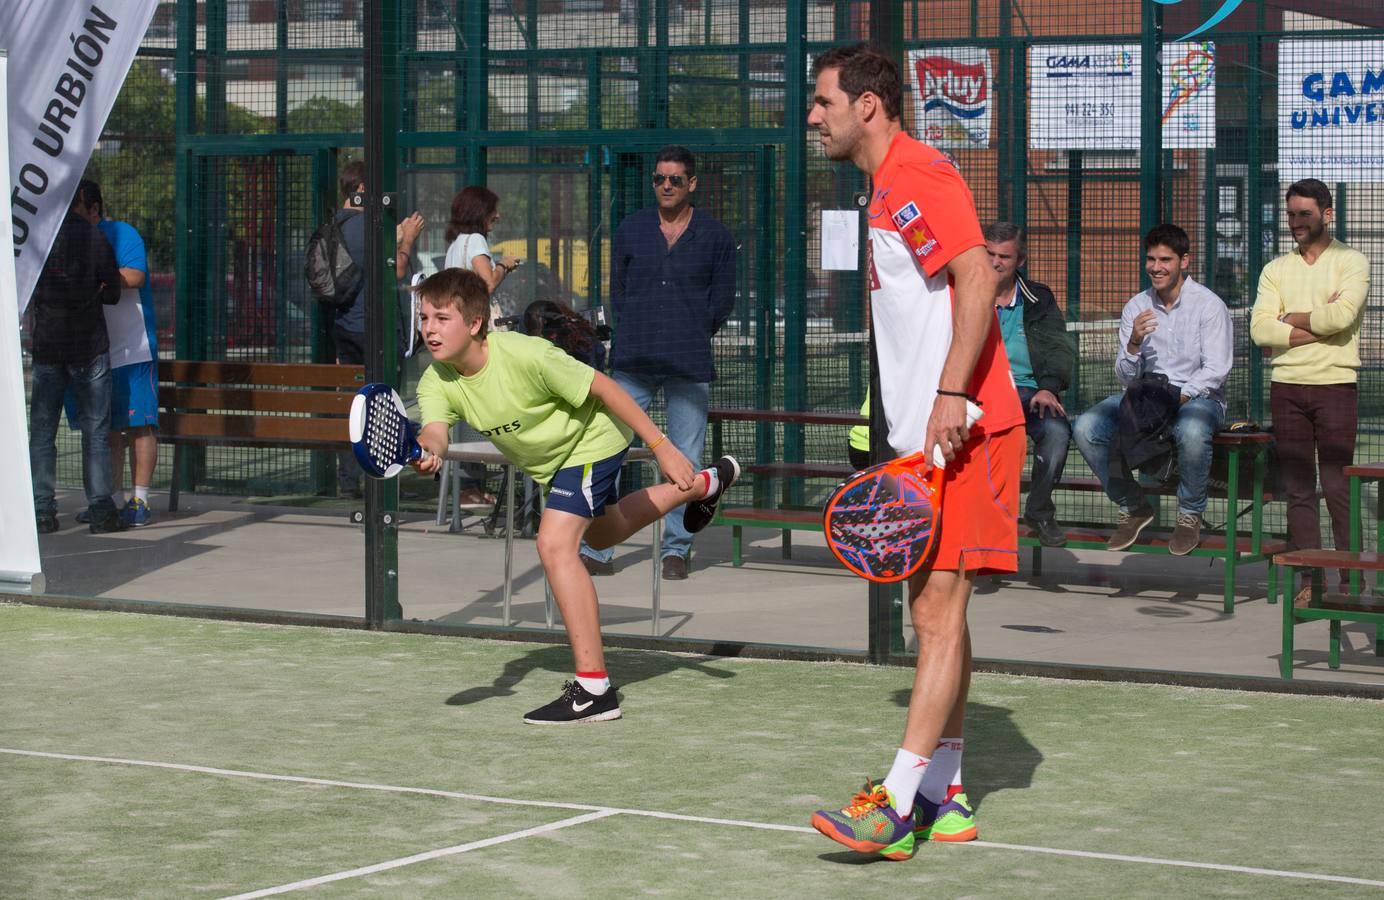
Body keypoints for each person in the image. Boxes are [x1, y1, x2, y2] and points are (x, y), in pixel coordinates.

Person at [805, 45, 1026, 860]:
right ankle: (949, 793)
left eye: (823, 101)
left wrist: (949, 394)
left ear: (868, 105)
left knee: (935, 614)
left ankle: (895, 807)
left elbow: (975, 277)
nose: (812, 116)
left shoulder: (921, 173)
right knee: (937, 616)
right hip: (929, 442)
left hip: (969, 428)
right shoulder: (884, 189)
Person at [409, 268, 739, 724]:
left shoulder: (527, 354)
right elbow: (436, 431)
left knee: (554, 544)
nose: (429, 328)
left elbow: (605, 388)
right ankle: (705, 485)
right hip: (553, 464)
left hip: (593, 439)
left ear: (475, 323)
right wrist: (429, 451)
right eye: (425, 316)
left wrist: (663, 448)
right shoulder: (437, 380)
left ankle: (593, 689)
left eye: (442, 317)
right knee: (602, 535)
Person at [582, 145, 738, 581]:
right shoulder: (632, 230)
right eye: (659, 179)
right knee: (606, 446)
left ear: (691, 184)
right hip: (633, 360)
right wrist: (636, 326)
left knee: (685, 457)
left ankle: (675, 549)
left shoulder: (715, 236)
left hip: (688, 361)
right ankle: (599, 547)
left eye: (674, 179)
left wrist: (691, 329)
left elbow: (722, 301)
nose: (666, 186)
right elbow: (619, 291)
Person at [1072, 224, 1233, 556]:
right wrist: (1133, 343)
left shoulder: (1209, 305)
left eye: (1165, 259)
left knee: (1190, 429)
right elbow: (1125, 376)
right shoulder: (1136, 306)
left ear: (1184, 262)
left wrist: (1178, 399)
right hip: (1146, 395)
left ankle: (1190, 514)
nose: (1156, 267)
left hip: (1198, 397)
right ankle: (1133, 506)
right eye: (1151, 259)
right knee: (1087, 426)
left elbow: (1216, 369)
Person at [1249, 179, 1370, 601]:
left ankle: (1350, 579)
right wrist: (1316, 324)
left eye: (1305, 214)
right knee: (1298, 490)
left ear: (1327, 214)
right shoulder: (1275, 269)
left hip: (1336, 384)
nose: (1296, 222)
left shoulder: (1352, 261)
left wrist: (1291, 318)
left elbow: (1342, 316)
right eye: (1291, 214)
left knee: (1338, 486)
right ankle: (1309, 583)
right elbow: (1259, 328)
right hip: (1286, 387)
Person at [29, 190, 126, 534]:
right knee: (95, 432)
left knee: (42, 432)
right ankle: (101, 508)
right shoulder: (92, 235)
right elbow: (113, 292)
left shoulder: (35, 236)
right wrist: (94, 291)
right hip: (88, 344)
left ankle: (41, 510)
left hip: (48, 345)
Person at [64, 180, 160, 527]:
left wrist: (98, 275)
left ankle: (140, 499)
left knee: (139, 426)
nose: (71, 218)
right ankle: (108, 499)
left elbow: (134, 276)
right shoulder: (68, 240)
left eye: (76, 210)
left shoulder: (121, 233)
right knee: (105, 432)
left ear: (94, 210)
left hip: (132, 349)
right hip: (93, 350)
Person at [330, 160, 426, 499]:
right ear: (360, 191)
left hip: (344, 328)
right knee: (383, 403)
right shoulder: (369, 227)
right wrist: (406, 239)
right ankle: (381, 484)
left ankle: (348, 480)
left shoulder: (333, 226)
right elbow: (397, 270)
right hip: (375, 331)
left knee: (353, 405)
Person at [984, 222, 1076, 548]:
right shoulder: (963, 296)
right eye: (989, 254)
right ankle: (987, 527)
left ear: (1020, 260)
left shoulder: (1039, 298)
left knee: (1057, 432)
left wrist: (1048, 387)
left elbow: (1059, 350)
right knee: (983, 451)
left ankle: (1038, 510)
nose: (995, 262)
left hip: (1028, 392)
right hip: (981, 394)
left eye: (1004, 256)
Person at [441, 184, 522, 506]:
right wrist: (504, 266)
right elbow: (485, 284)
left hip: (459, 334)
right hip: (479, 334)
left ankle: (469, 486)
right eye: (492, 210)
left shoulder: (453, 246)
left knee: (466, 409)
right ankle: (497, 479)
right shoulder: (475, 241)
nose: (497, 216)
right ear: (480, 212)